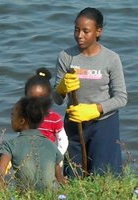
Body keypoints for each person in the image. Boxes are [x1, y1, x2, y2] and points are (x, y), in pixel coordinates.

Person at [53, 7, 127, 176]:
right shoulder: (66, 56)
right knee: (74, 174)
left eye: (86, 31)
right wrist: (61, 87)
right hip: (74, 123)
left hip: (104, 124)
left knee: (105, 175)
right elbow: (57, 99)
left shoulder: (111, 58)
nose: (79, 35)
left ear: (98, 32)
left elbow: (121, 98)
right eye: (76, 30)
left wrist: (95, 109)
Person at [0, 97, 66, 191]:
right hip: (50, 195)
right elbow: (60, 179)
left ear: (22, 121)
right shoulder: (51, 145)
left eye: (12, 116)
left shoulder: (10, 145)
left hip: (25, 196)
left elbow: (0, 174)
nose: (11, 120)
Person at [25, 68, 68, 155]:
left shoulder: (54, 118)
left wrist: (57, 156)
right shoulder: (26, 116)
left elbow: (62, 140)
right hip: (29, 156)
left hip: (48, 156)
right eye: (32, 98)